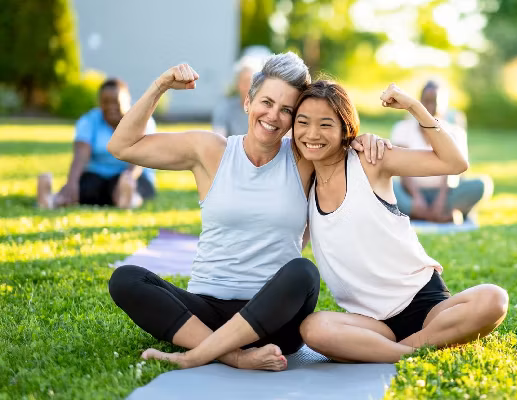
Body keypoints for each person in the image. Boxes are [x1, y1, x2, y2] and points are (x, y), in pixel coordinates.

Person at [106, 53, 388, 371]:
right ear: (247, 103)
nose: (273, 116)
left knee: (303, 273)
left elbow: (341, 136)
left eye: (287, 110)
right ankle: (233, 355)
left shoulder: (305, 157)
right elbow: (122, 146)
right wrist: (160, 86)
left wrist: (367, 140)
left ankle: (200, 352)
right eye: (266, 102)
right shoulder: (210, 151)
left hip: (275, 321)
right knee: (125, 279)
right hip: (205, 312)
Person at [293, 80, 509, 363]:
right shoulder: (301, 185)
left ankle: (400, 351)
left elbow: (455, 163)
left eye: (325, 124)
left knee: (494, 299)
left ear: (346, 128)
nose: (312, 134)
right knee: (313, 328)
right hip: (372, 325)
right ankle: (416, 350)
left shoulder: (369, 161)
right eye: (303, 122)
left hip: (426, 304)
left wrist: (414, 106)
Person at [36, 79, 157, 209]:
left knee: (130, 187)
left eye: (116, 101)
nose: (111, 107)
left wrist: (127, 178)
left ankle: (129, 199)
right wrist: (72, 182)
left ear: (127, 100)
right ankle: (51, 200)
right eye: (105, 102)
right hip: (98, 175)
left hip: (133, 174)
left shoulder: (142, 119)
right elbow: (81, 154)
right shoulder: (90, 120)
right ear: (99, 103)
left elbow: (140, 157)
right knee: (85, 189)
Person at [391, 81, 492, 223]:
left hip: (445, 194)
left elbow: (456, 170)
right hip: (411, 194)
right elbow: (401, 168)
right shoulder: (403, 128)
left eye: (435, 101)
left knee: (482, 185)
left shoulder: (455, 132)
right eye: (426, 100)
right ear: (419, 102)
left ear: (444, 105)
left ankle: (422, 214)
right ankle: (438, 215)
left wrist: (441, 200)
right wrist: (417, 197)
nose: (431, 105)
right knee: (385, 185)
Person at [212, 56, 264, 137]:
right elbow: (218, 138)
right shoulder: (225, 108)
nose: (248, 86)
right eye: (245, 82)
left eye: (251, 82)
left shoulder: (266, 111)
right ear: (237, 85)